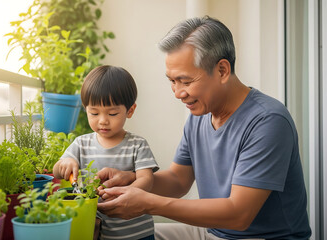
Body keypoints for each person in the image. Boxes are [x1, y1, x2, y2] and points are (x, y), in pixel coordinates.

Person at [96, 16, 312, 240]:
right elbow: (179, 181)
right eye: (172, 81)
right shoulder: (200, 114)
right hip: (213, 232)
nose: (178, 93)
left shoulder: (268, 121)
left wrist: (149, 204)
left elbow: (239, 215)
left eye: (186, 81)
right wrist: (134, 180)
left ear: (222, 71)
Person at [53, 65, 159, 240]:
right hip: (99, 232)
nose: (102, 121)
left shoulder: (137, 144)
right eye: (94, 113)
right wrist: (66, 163)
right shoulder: (81, 144)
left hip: (137, 233)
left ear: (130, 111)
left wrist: (126, 196)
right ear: (85, 109)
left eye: (112, 113)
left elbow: (147, 180)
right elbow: (57, 170)